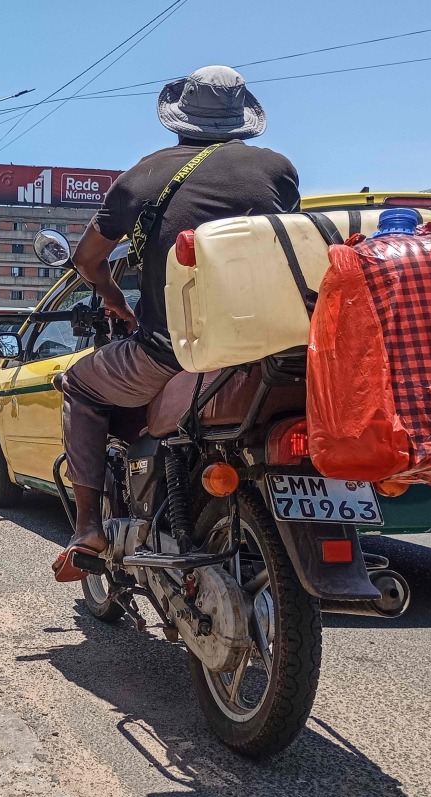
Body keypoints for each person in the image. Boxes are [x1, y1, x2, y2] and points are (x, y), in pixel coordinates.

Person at [53, 66, 300, 582]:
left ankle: (87, 528)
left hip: (177, 350)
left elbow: (87, 260)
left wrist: (112, 296)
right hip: (265, 346)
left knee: (79, 385)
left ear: (178, 121)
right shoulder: (277, 169)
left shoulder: (144, 176)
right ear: (241, 120)